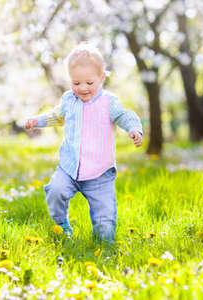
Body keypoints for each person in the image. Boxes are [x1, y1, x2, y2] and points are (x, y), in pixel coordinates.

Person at [24, 43, 143, 244]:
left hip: (100, 173)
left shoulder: (109, 102)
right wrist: (38, 121)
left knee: (105, 219)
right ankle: (61, 225)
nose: (83, 88)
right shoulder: (69, 100)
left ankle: (103, 246)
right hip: (69, 168)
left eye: (89, 82)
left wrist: (134, 128)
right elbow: (56, 116)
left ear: (102, 78)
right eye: (76, 83)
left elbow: (124, 115)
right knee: (55, 191)